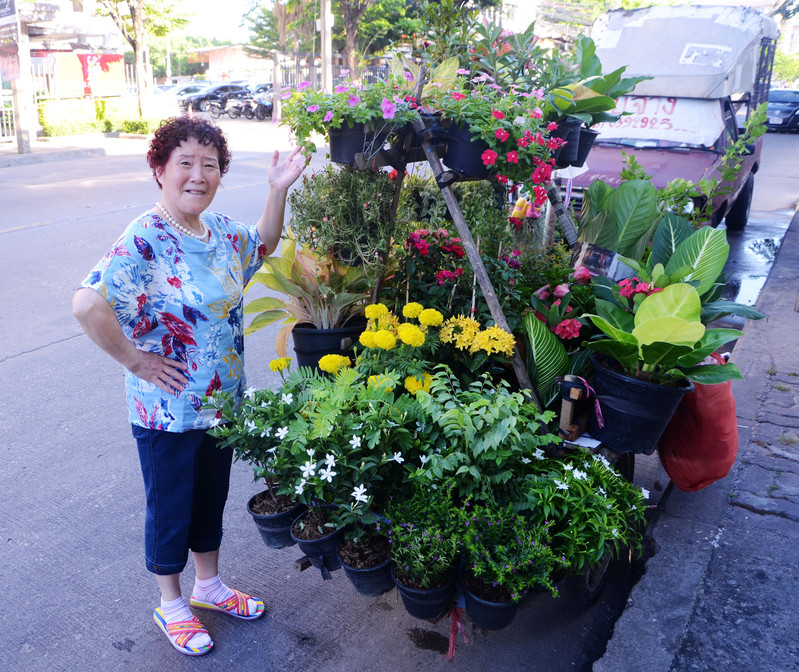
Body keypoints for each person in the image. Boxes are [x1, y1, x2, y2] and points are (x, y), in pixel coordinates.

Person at [72, 116, 306, 656]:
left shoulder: (219, 231)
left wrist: (276, 192)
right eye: (185, 163)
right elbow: (87, 304)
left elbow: (263, 246)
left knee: (209, 499)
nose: (198, 175)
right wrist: (136, 362)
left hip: (220, 402)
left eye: (209, 164)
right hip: (168, 410)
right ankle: (171, 603)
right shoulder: (144, 237)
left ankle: (209, 586)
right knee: (171, 505)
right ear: (159, 169)